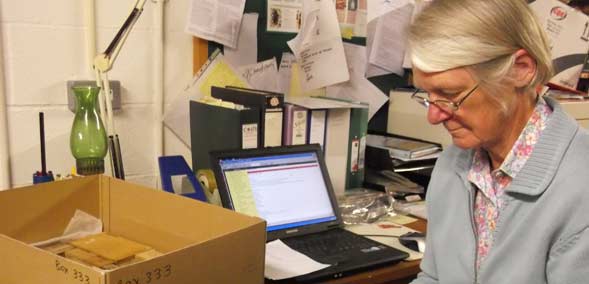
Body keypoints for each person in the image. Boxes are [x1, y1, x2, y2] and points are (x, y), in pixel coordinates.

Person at [406, 0, 589, 283]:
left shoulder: (580, 190)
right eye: (426, 95)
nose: (434, 116)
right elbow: (434, 277)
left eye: (451, 94)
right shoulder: (452, 164)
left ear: (521, 69)